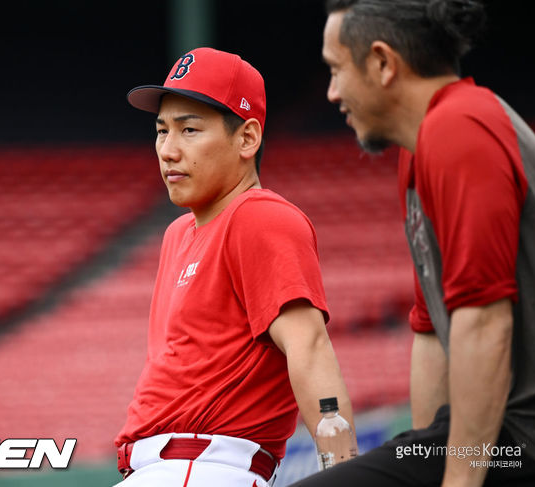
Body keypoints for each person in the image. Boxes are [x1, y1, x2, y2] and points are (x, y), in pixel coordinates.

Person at [289, 1, 535, 486]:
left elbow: (485, 323)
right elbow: (432, 332)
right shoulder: (422, 148)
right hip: (502, 439)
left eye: (336, 70)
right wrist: (424, 459)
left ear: (384, 63)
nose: (330, 93)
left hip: (530, 444)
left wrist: (457, 482)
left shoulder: (460, 129)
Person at [114, 47, 355, 486]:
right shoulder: (177, 235)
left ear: (246, 138)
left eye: (189, 130)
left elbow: (311, 349)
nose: (168, 150)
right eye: (161, 130)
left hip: (206, 466)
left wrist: (342, 471)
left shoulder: (260, 216)